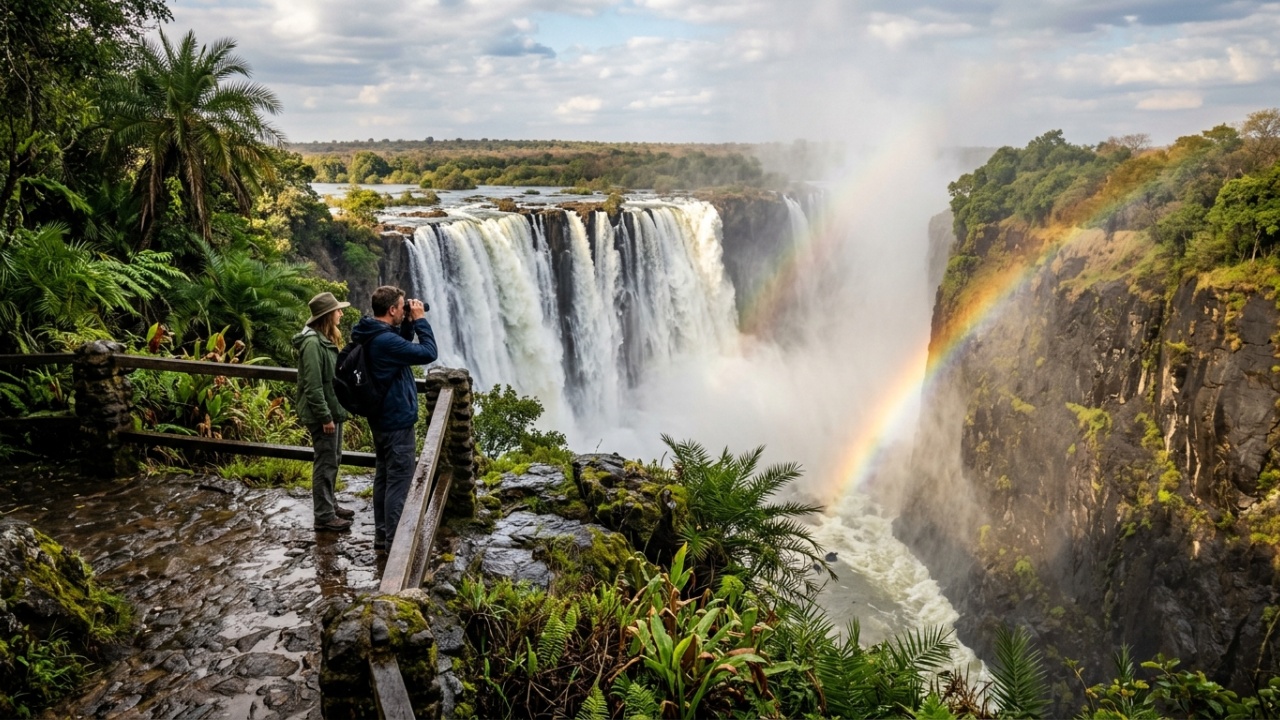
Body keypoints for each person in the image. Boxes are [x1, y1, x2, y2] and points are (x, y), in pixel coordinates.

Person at [350, 285, 438, 551]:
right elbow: (428, 353)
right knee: (399, 481)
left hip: (381, 418)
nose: (406, 310)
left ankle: (382, 535)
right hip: (396, 420)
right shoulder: (385, 341)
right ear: (391, 310)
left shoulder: (372, 332)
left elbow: (400, 351)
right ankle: (395, 546)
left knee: (385, 478)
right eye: (402, 307)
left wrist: (409, 324)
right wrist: (421, 320)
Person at [293, 291, 355, 533]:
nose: (341, 313)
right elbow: (313, 385)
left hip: (333, 409)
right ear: (327, 316)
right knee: (325, 462)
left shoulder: (323, 339)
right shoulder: (311, 344)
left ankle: (330, 505)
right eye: (338, 310)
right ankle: (324, 516)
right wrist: (325, 417)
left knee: (334, 459)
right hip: (324, 414)